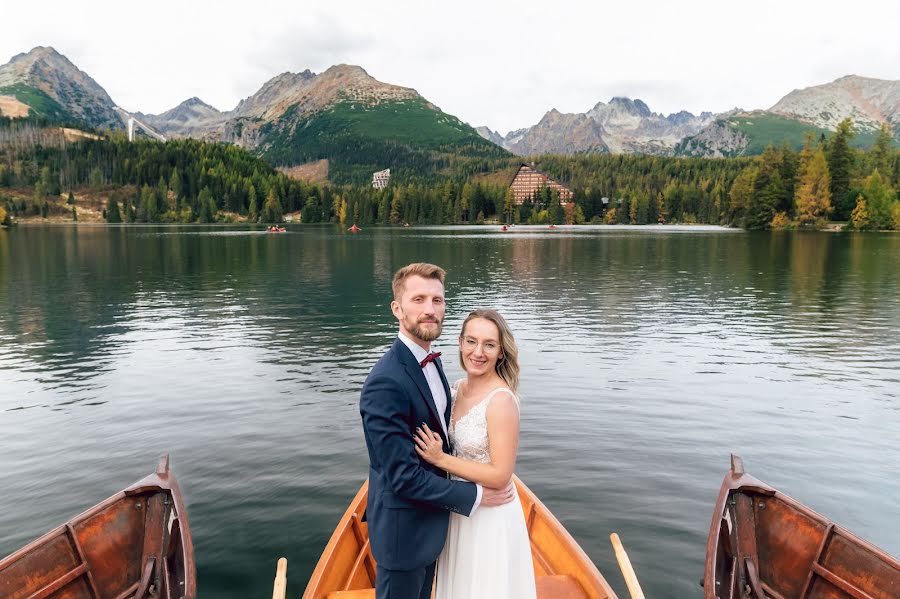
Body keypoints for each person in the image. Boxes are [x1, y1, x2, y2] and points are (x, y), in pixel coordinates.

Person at [360, 263, 516, 599]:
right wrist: (475, 495)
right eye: (419, 299)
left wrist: (444, 463)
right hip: (404, 535)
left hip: (437, 525)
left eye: (438, 300)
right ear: (397, 309)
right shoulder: (385, 382)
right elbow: (402, 476)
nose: (430, 310)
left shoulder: (435, 363)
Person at [414, 308, 537, 599]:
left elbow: (501, 474)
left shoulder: (501, 401)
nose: (478, 352)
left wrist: (440, 459)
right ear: (459, 343)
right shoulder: (454, 390)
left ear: (501, 353)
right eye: (471, 341)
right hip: (459, 509)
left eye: (489, 345)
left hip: (490, 516)